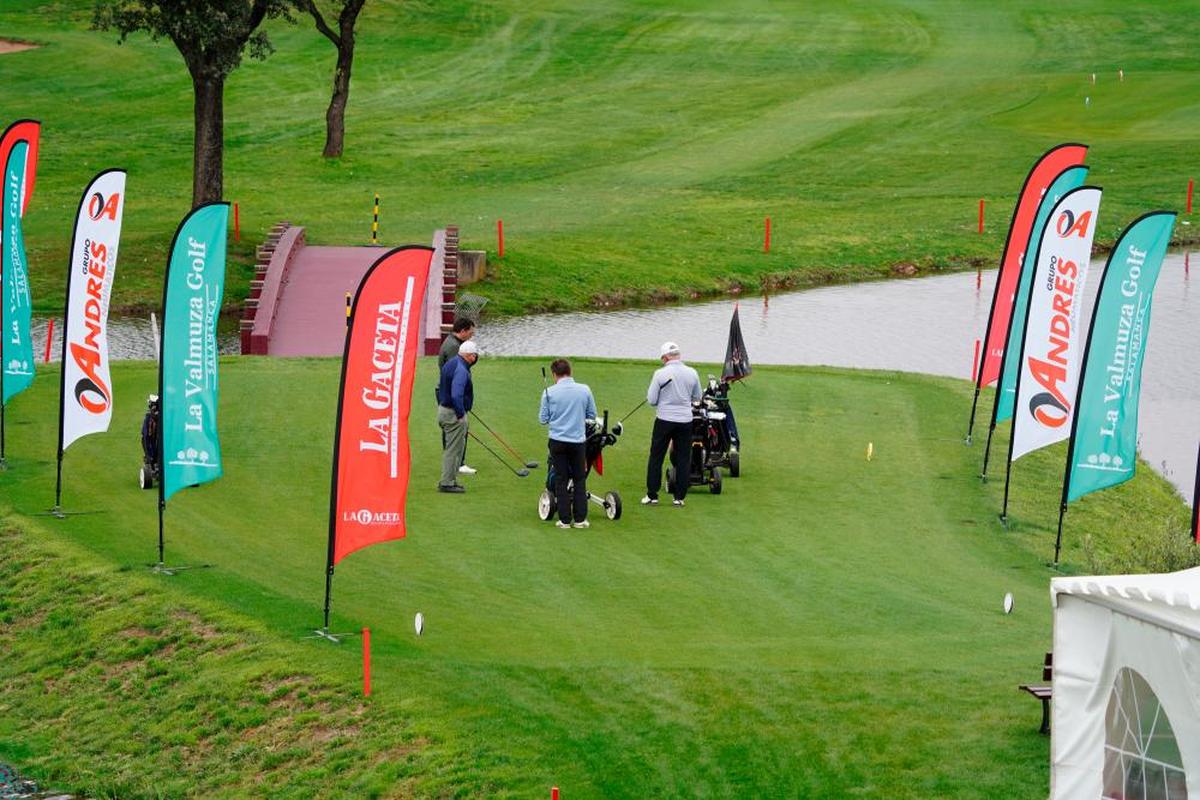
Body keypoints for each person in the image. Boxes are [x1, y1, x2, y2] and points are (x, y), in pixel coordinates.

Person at [538, 358, 597, 529]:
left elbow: (543, 419)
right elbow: (592, 414)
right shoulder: (584, 390)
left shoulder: (549, 392)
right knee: (579, 479)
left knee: (561, 479)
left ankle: (564, 520)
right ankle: (580, 520)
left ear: (554, 374)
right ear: (570, 371)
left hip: (557, 441)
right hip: (578, 442)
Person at [642, 341, 701, 507]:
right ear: (678, 355)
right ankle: (679, 497)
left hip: (664, 420)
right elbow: (697, 397)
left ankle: (652, 495)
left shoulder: (660, 374)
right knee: (683, 458)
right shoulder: (692, 373)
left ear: (664, 357)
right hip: (685, 421)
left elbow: (652, 400)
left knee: (656, 457)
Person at [436, 340, 478, 493]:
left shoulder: (452, 363)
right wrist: (461, 413)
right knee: (453, 450)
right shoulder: (461, 369)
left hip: (444, 409)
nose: (475, 358)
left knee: (455, 448)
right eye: (474, 355)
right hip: (453, 414)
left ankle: (451, 480)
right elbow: (456, 393)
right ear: (469, 356)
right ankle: (447, 483)